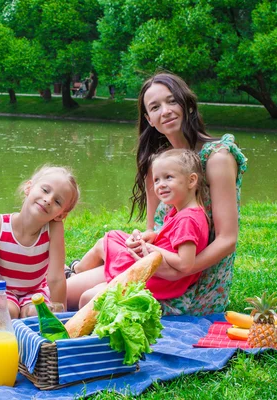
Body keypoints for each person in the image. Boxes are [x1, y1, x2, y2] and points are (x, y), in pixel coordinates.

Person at [67, 72, 247, 316]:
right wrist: (143, 240)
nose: (166, 110)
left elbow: (227, 240)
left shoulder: (217, 158)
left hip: (194, 283)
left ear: (187, 104)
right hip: (157, 267)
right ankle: (74, 272)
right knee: (61, 294)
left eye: (172, 101)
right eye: (155, 107)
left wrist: (183, 268)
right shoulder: (160, 165)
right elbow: (155, 229)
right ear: (149, 119)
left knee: (89, 301)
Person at [70, 149, 209, 309]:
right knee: (113, 238)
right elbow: (175, 241)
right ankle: (78, 270)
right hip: (156, 269)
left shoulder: (188, 218)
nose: (161, 185)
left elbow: (185, 264)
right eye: (156, 180)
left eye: (168, 177)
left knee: (105, 245)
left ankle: (77, 270)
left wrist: (151, 248)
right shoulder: (183, 211)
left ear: (191, 181)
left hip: (157, 278)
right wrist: (152, 237)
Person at [0, 165, 80, 338]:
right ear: (28, 187)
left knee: (36, 315)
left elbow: (55, 278)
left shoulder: (53, 229)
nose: (48, 199)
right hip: (3, 291)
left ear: (61, 215)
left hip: (35, 292)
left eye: (58, 202)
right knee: (5, 314)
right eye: (45, 190)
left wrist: (60, 321)